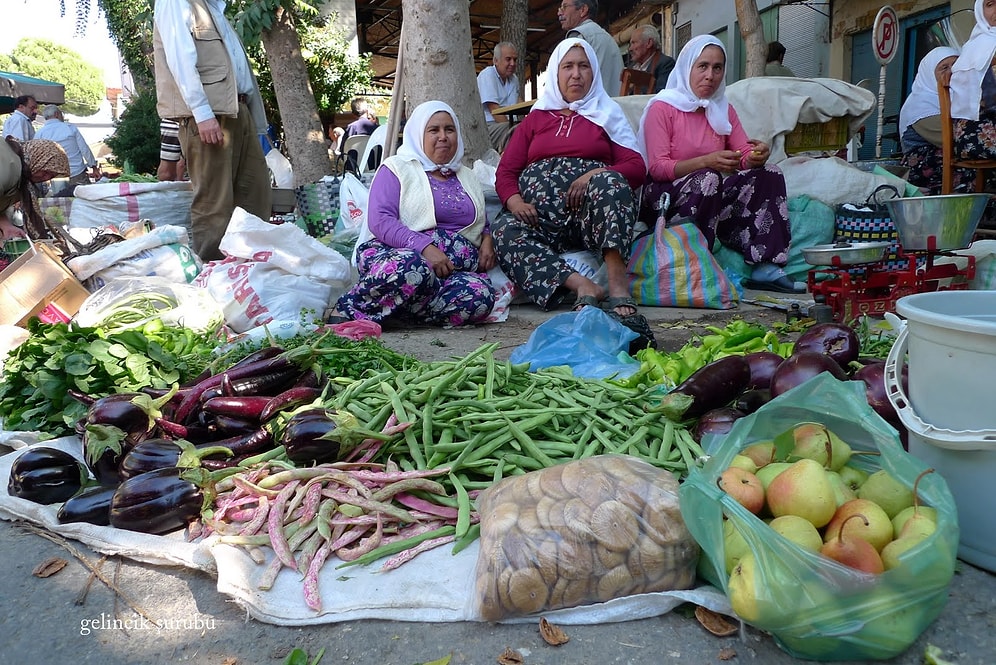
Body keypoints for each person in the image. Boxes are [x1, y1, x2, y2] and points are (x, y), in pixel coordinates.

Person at [492, 37, 646, 322]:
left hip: (590, 217)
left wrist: (594, 175)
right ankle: (582, 285)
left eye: (584, 66)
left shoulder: (607, 113)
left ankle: (616, 282)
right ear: (556, 72)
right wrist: (515, 203)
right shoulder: (535, 119)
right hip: (540, 219)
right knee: (504, 230)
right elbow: (506, 172)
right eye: (568, 67)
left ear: (594, 72)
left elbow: (636, 167)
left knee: (611, 182)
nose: (576, 74)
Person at [637, 35, 802, 294]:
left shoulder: (722, 108)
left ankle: (766, 266)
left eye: (717, 68)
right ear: (687, 68)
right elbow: (658, 168)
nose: (710, 75)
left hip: (711, 195)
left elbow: (742, 153)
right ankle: (695, 261)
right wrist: (705, 162)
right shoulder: (663, 108)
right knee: (708, 178)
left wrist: (757, 155)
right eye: (702, 66)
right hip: (665, 199)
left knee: (770, 173)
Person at [331, 101, 497, 327]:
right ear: (418, 133)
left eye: (449, 129)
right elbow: (380, 221)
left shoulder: (466, 175)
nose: (443, 136)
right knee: (411, 267)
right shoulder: (397, 168)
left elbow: (481, 221)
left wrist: (487, 239)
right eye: (433, 130)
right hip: (399, 255)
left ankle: (398, 314)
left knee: (480, 295)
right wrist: (425, 248)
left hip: (449, 272)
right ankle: (348, 309)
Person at [153, 0, 272, 262]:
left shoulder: (215, 9)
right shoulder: (177, 2)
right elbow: (180, 59)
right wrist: (203, 113)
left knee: (255, 196)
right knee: (214, 206)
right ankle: (211, 278)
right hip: (210, 115)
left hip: (239, 111)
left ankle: (252, 274)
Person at [900, 47, 974, 195]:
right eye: (944, 68)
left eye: (956, 65)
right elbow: (954, 139)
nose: (951, 71)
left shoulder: (966, 97)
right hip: (928, 173)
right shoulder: (920, 105)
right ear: (929, 74)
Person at [0, 138, 70, 252]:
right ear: (37, 159)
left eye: (51, 176)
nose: (46, 178)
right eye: (45, 171)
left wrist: (6, 225)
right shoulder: (9, 168)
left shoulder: (22, 175)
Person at [949, 0, 996, 163]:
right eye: (990, 4)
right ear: (980, 12)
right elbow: (988, 98)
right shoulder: (978, 46)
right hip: (978, 131)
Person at [558, 0, 624, 96]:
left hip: (591, 106)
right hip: (614, 105)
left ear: (583, 10)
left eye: (564, 7)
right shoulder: (607, 37)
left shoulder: (579, 35)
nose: (559, 12)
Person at [34, 104, 100, 195]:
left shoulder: (39, 133)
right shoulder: (70, 128)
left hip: (56, 175)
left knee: (61, 203)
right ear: (57, 114)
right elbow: (84, 148)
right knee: (85, 201)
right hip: (77, 172)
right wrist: (94, 167)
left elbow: (37, 156)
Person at [477, 41, 520, 152]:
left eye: (515, 60)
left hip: (509, 124)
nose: (512, 63)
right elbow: (494, 110)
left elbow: (519, 102)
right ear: (496, 61)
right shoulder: (488, 75)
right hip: (489, 126)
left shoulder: (514, 79)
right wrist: (514, 127)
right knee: (516, 131)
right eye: (508, 59)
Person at [627, 25, 675, 93]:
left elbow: (661, 95)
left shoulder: (666, 64)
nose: (630, 49)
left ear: (649, 43)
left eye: (634, 43)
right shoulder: (631, 67)